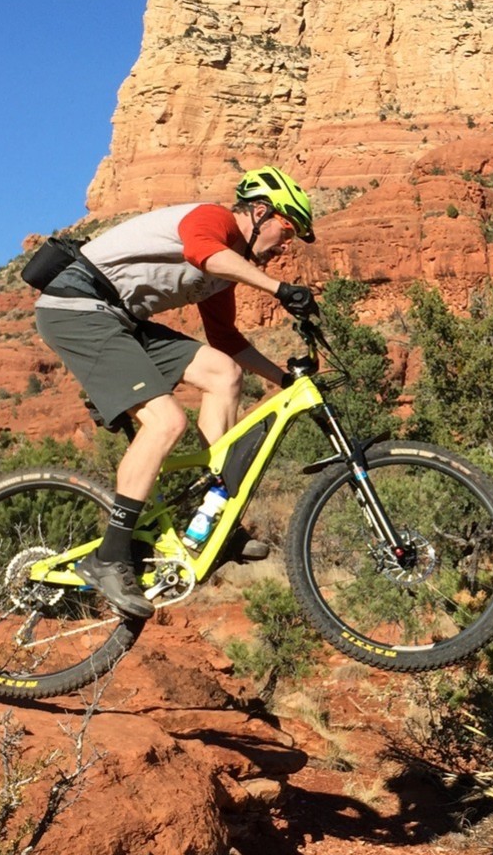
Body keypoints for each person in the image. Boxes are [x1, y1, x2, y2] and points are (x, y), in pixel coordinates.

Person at [33, 166, 319, 617]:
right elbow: (203, 252)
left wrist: (282, 379)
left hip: (122, 320)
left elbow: (225, 338)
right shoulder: (213, 221)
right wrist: (279, 289)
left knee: (224, 373)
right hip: (78, 308)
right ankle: (108, 557)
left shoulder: (225, 270)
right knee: (167, 422)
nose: (286, 245)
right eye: (288, 230)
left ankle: (215, 513)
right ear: (261, 212)